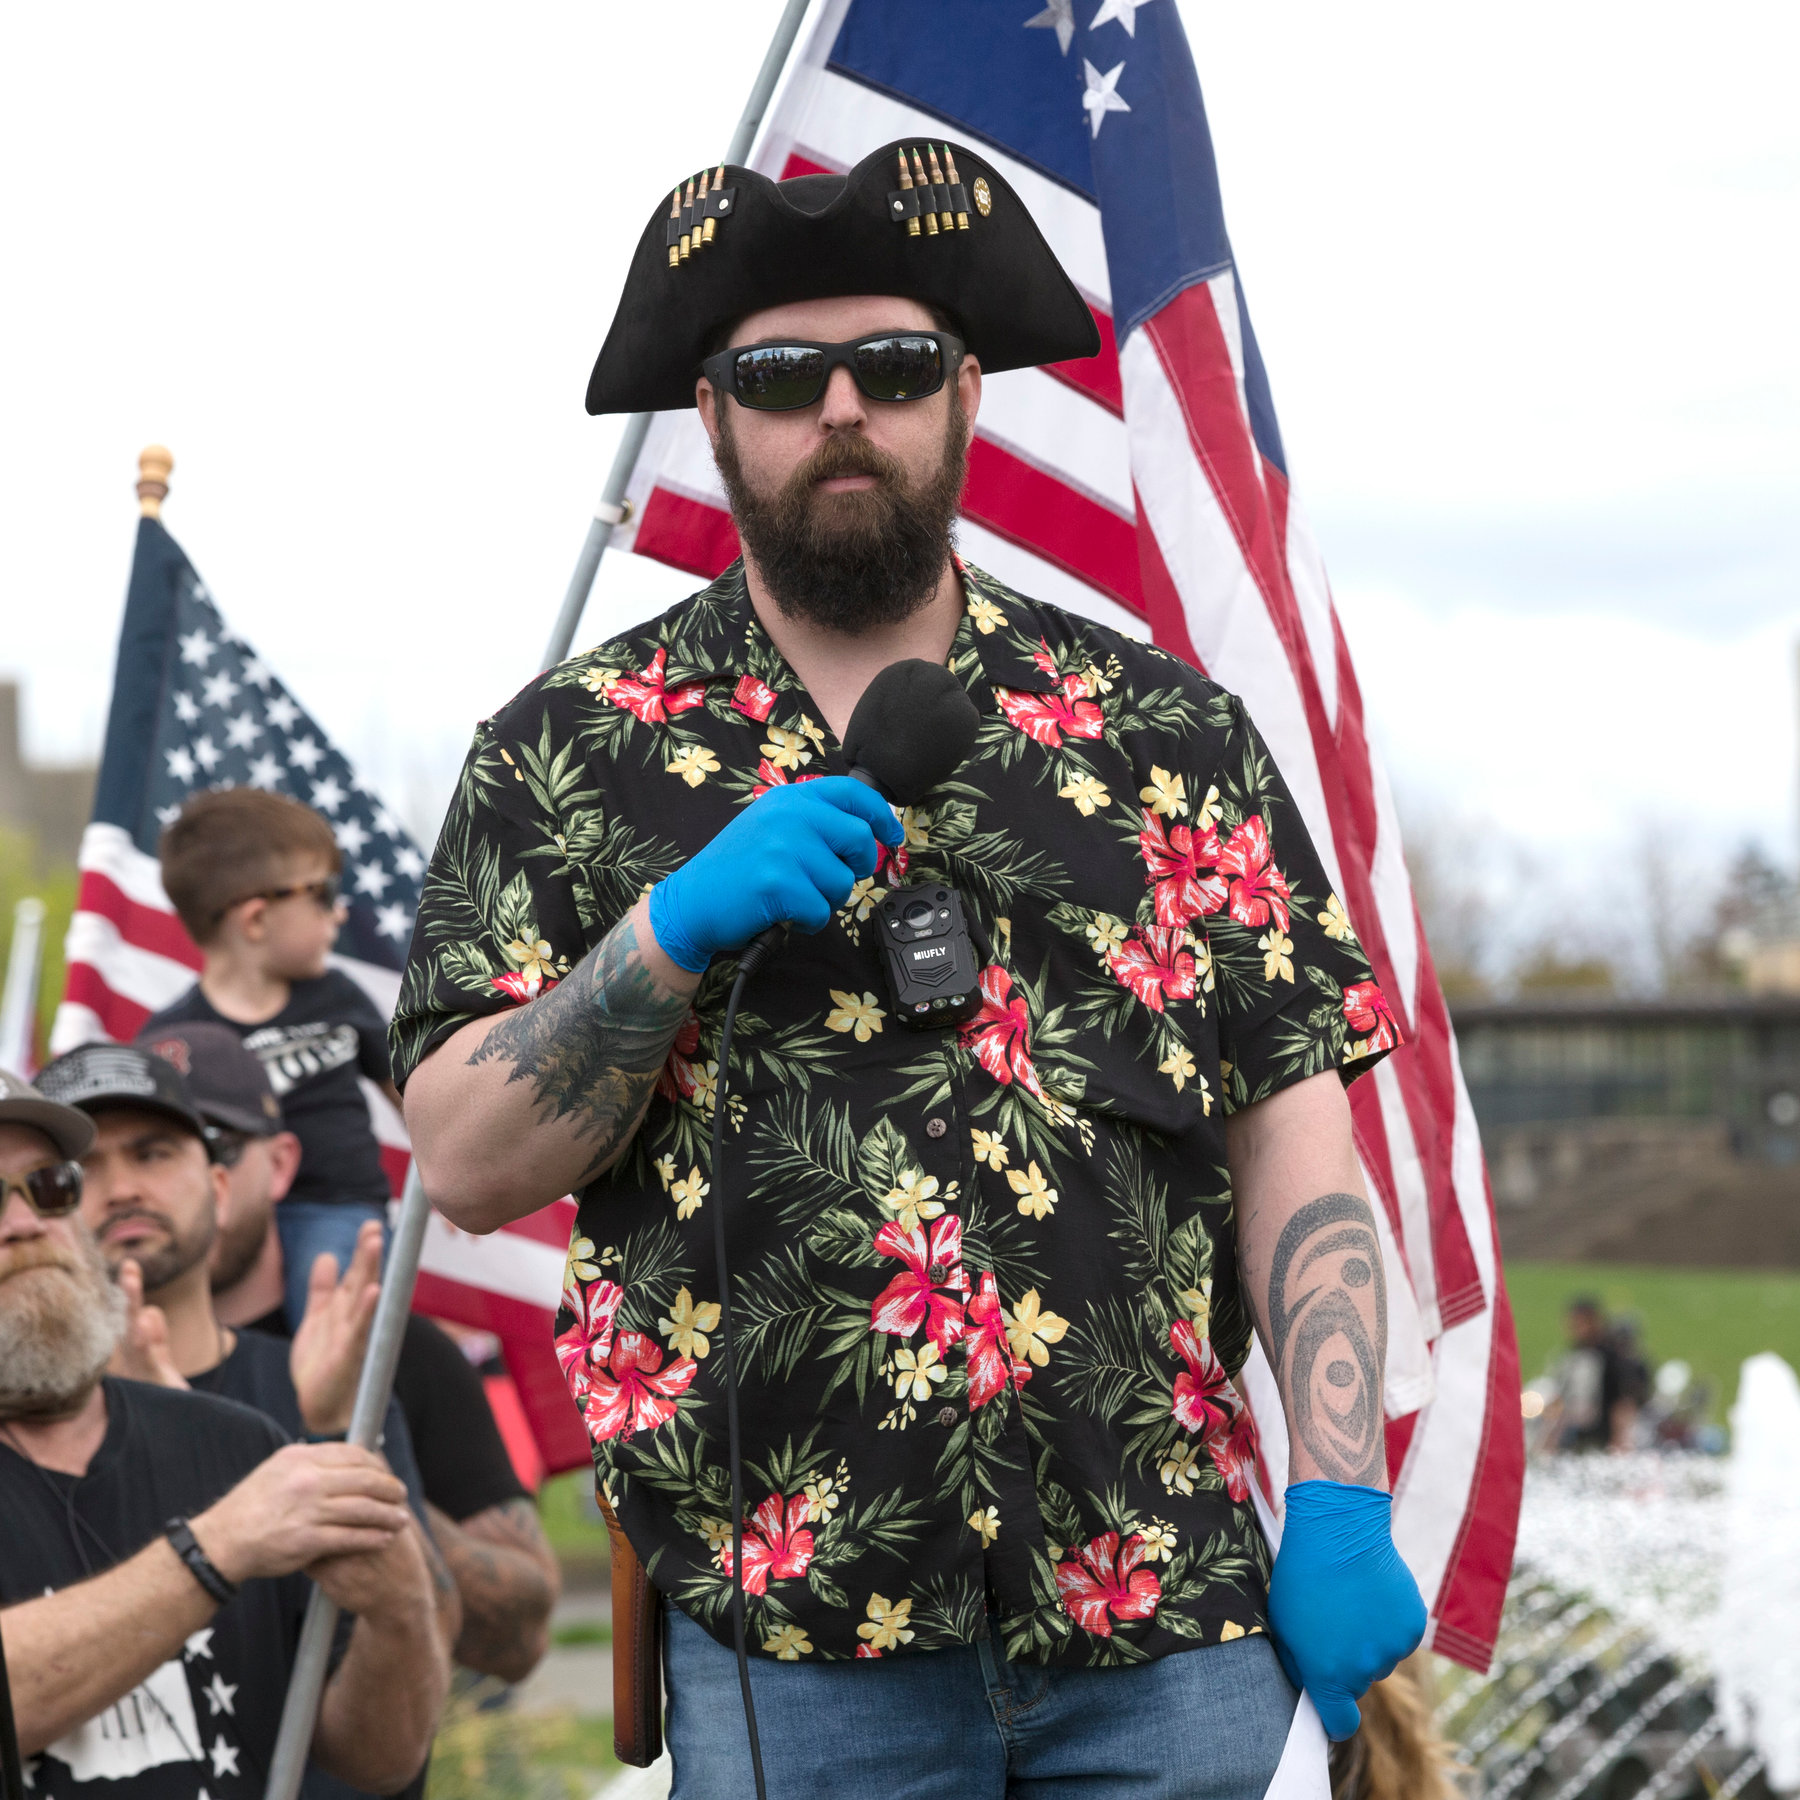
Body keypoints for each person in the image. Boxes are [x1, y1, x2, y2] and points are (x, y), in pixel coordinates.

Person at [394, 141, 1426, 1796]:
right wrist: (659, 941)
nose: (844, 411)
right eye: (783, 376)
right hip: (796, 1652)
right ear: (714, 415)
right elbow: (459, 1154)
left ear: (965, 395)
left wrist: (1345, 1492)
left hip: (1166, 1614)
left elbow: (1295, 1134)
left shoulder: (1167, 734)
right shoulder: (564, 756)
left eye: (897, 365)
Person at [0, 1066, 448, 1800]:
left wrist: (400, 1613)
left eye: (48, 1185)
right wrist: (213, 1551)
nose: (24, 1221)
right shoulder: (246, 1512)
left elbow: (377, 1760)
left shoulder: (242, 1447)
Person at [154, 1019, 561, 1682]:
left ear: (281, 1161)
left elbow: (520, 1640)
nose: (184, 1181)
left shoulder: (396, 1354)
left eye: (211, 1145)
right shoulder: (83, 1381)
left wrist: (344, 1469)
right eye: (141, 1153)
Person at [141, 787, 401, 1330]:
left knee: (327, 1319)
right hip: (227, 1225)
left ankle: (346, 1417)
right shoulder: (173, 1042)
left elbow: (405, 1089)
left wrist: (445, 1171)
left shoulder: (340, 997)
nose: (340, 910)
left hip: (335, 1207)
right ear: (256, 920)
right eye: (323, 893)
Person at [1552, 1296, 1637, 1453]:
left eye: (1580, 1323)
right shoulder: (1573, 1355)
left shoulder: (1610, 1357)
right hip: (1574, 1433)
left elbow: (1621, 1402)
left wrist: (1619, 1442)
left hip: (1602, 1436)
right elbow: (1563, 1399)